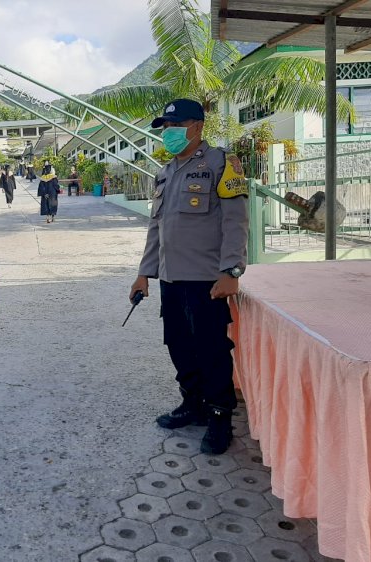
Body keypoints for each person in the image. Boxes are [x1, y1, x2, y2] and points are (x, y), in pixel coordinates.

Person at [129, 99, 249, 455]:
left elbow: (236, 221)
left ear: (197, 126)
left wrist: (231, 271)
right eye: (165, 127)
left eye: (174, 126)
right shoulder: (166, 171)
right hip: (170, 278)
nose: (168, 133)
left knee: (212, 349)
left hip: (206, 280)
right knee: (179, 345)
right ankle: (193, 403)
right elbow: (157, 228)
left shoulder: (222, 164)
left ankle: (219, 417)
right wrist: (143, 274)